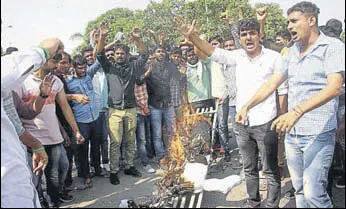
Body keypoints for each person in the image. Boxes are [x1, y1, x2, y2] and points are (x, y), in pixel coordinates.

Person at [234, 1, 345, 207]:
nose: (289, 26)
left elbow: (334, 88)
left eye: (294, 21)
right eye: (288, 22)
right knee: (300, 191)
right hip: (293, 135)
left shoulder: (332, 47)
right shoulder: (291, 51)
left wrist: (296, 111)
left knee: (314, 194)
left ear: (311, 20)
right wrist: (247, 106)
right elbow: (271, 83)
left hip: (318, 134)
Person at [175, 16, 286, 208]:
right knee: (249, 167)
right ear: (240, 38)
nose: (248, 38)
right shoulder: (237, 56)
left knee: (269, 169)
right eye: (244, 35)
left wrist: (282, 118)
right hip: (242, 123)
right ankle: (253, 202)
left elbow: (282, 91)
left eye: (252, 33)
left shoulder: (274, 58)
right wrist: (192, 37)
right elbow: (211, 51)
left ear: (260, 35)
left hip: (266, 121)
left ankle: (272, 205)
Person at [1, 38, 63, 208]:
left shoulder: (6, 93)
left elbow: (22, 118)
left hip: (19, 166)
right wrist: (43, 51)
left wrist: (36, 145)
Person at [96, 22, 148, 185]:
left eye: (122, 53)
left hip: (131, 109)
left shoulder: (133, 67)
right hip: (114, 111)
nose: (119, 55)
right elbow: (99, 54)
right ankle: (113, 171)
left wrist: (139, 40)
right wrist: (103, 37)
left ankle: (129, 166)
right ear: (114, 55)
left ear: (126, 54)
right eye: (117, 53)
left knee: (130, 140)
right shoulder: (109, 67)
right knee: (116, 142)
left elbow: (145, 55)